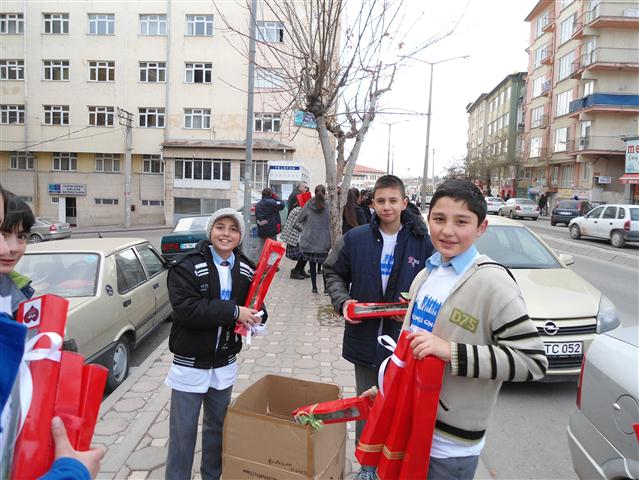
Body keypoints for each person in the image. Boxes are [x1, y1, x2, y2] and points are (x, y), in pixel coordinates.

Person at [375, 179, 547, 480]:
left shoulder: (493, 282)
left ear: (481, 227)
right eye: (439, 219)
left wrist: (450, 352)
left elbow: (532, 362)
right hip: (407, 423)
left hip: (449, 448)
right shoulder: (427, 274)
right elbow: (409, 346)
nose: (448, 231)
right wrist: (385, 388)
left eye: (462, 221)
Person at [323, 174, 434, 467]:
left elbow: (436, 284)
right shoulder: (356, 238)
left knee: (401, 406)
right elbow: (332, 271)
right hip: (365, 338)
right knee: (368, 402)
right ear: (371, 204)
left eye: (393, 201)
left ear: (404, 203)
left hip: (406, 340)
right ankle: (366, 466)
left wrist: (413, 309)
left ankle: (394, 464)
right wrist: (343, 302)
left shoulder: (422, 242)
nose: (387, 207)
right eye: (381, 201)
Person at [0, 186, 105, 479]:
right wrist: (72, 472)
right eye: (2, 233)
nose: (10, 248)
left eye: (19, 237)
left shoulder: (20, 294)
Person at [164, 208, 266, 480]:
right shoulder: (187, 265)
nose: (226, 234)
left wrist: (257, 317)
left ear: (240, 236)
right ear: (210, 231)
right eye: (220, 227)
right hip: (190, 365)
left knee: (217, 430)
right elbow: (187, 309)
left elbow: (257, 304)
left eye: (233, 229)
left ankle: (212, 476)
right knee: (182, 434)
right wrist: (235, 313)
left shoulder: (246, 267)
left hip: (224, 365)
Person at [297, 185, 331, 294]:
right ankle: (326, 289)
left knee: (312, 265)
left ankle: (314, 287)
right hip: (324, 241)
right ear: (325, 193)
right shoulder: (329, 205)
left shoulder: (308, 204)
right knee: (325, 266)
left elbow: (300, 219)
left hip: (310, 240)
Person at [281, 204, 308, 280]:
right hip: (294, 236)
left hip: (294, 236)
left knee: (305, 254)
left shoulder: (298, 209)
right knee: (303, 254)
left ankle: (300, 270)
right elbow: (296, 224)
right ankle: (295, 271)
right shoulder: (299, 210)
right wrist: (307, 229)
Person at [255, 187, 285, 253]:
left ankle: (261, 262)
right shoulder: (272, 203)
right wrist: (275, 196)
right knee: (272, 250)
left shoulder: (258, 204)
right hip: (271, 230)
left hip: (261, 230)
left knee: (262, 250)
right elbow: (282, 205)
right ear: (271, 194)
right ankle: (270, 263)